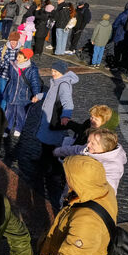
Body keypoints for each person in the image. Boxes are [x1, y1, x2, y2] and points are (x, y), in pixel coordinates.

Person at [36, 62, 78, 202]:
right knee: (46, 145)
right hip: (48, 118)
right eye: (52, 70)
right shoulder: (57, 81)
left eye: (56, 71)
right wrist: (40, 96)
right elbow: (50, 94)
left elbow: (68, 102)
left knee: (50, 146)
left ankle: (51, 169)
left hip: (53, 120)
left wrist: (66, 115)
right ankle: (45, 164)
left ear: (63, 72)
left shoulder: (63, 84)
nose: (53, 73)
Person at [3, 48, 41, 138]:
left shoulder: (32, 70)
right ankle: (7, 128)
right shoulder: (13, 65)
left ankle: (18, 128)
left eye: (20, 57)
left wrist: (36, 94)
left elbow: (35, 83)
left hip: (24, 95)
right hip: (11, 92)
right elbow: (9, 77)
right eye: (17, 56)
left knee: (21, 113)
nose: (17, 58)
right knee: (9, 112)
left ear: (26, 58)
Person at [0, 31, 21, 103]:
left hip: (15, 76)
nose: (13, 42)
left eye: (15, 41)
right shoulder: (3, 48)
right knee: (3, 93)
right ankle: (2, 110)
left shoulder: (21, 50)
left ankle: (9, 109)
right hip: (3, 74)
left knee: (12, 93)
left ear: (18, 40)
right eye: (11, 40)